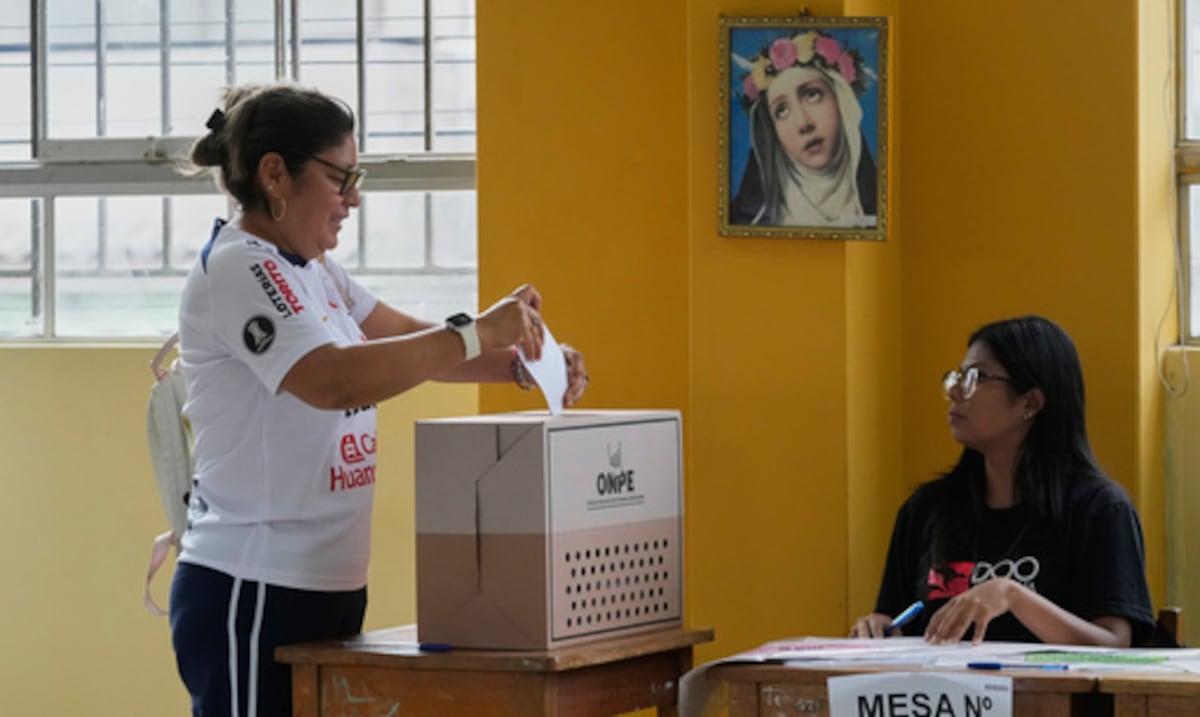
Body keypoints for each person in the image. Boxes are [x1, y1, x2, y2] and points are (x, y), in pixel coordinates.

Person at [168, 82, 589, 717]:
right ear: (276, 174)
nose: (353, 199)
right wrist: (476, 330)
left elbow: (406, 341)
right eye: (342, 178)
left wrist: (521, 363)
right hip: (251, 585)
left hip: (326, 584)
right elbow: (334, 380)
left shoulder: (313, 269)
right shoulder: (240, 268)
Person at [850, 315, 1154, 646]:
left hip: (1048, 697)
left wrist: (1013, 595)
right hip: (944, 695)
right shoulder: (926, 510)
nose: (953, 392)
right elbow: (900, 620)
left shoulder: (1100, 509)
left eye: (975, 378)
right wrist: (880, 627)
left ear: (1030, 403)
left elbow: (1114, 644)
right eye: (957, 377)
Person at [730, 30, 877, 228]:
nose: (803, 123)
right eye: (781, 111)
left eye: (813, 95)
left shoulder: (886, 205)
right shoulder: (745, 221)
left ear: (842, 101)